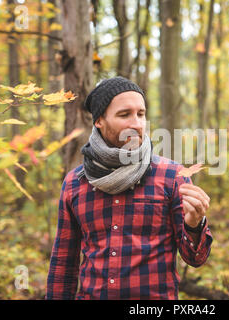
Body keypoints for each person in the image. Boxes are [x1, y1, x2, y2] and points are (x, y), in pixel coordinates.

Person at [46, 76, 213, 300]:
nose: (136, 123)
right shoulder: (75, 183)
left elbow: (196, 258)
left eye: (141, 114)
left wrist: (194, 225)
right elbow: (63, 265)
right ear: (99, 121)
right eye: (124, 114)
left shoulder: (171, 176)